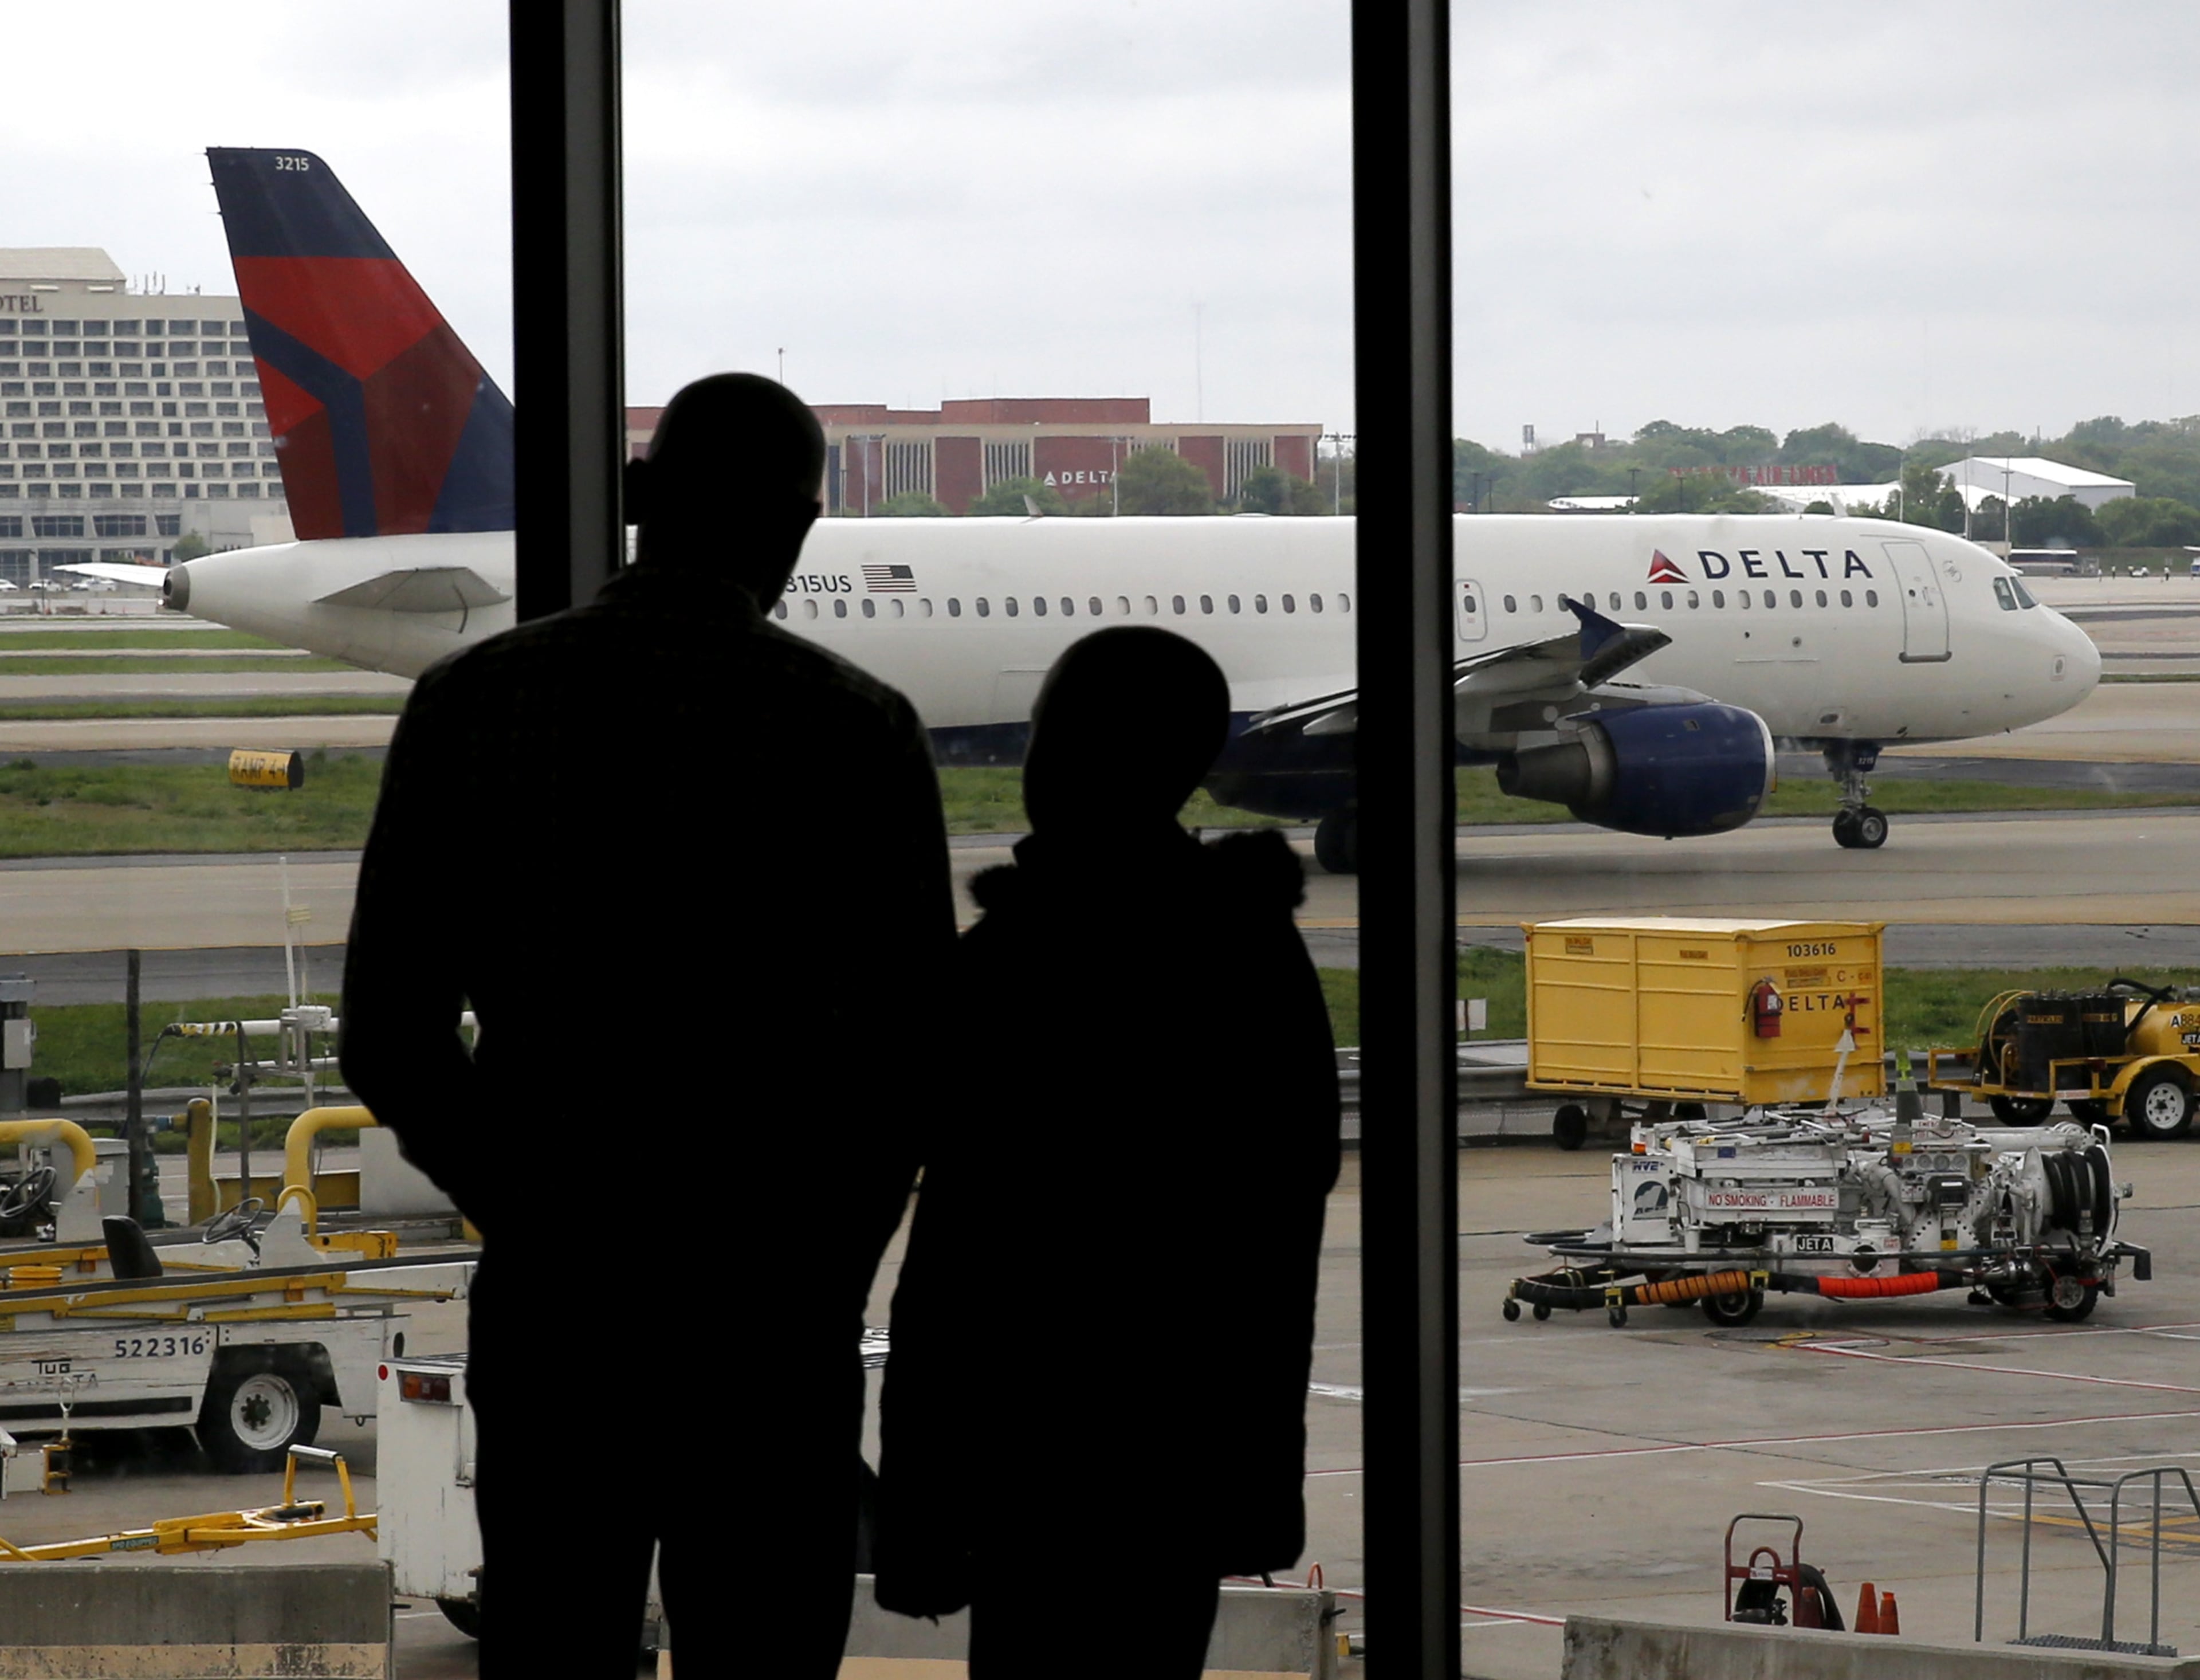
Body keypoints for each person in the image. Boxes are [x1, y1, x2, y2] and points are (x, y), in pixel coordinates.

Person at [341, 373, 954, 1677]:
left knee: (557, 1637)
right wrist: (822, 1259)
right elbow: (912, 1062)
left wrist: (533, 1197)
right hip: (769, 1320)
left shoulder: (474, 704)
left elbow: (387, 1031)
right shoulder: (857, 731)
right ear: (796, 532)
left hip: (564, 1307)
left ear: (636, 504)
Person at [876, 627, 1340, 1678]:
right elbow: (1288, 1196)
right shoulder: (1256, 961)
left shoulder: (1013, 967)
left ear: (1085, 755)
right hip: (1187, 1449)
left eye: (1047, 732)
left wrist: (921, 1497)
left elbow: (952, 1267)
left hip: (1026, 1455)